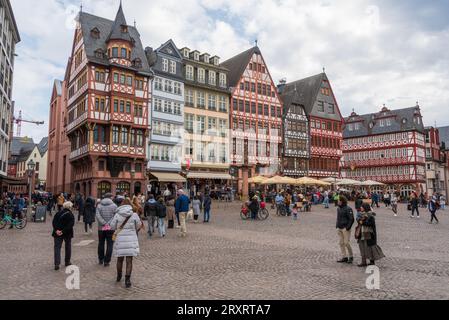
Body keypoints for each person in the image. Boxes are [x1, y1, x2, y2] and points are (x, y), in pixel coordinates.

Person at [110, 199, 142, 288]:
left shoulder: (117, 214)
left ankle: (119, 276)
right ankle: (127, 279)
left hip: (120, 239)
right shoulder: (134, 214)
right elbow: (139, 225)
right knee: (129, 260)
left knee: (119, 259)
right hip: (131, 239)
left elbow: (112, 226)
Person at [52, 201, 75, 271]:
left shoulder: (58, 213)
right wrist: (63, 231)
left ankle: (57, 263)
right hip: (67, 233)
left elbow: (54, 222)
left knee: (57, 248)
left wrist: (56, 230)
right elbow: (70, 225)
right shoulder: (70, 214)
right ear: (70, 207)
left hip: (57, 232)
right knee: (68, 247)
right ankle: (67, 261)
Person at [96, 193, 117, 267]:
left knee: (101, 243)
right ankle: (107, 261)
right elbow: (115, 216)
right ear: (110, 197)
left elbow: (98, 216)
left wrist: (104, 223)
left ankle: (101, 259)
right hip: (111, 228)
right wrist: (108, 224)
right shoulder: (114, 206)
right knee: (110, 244)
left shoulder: (99, 205)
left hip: (101, 228)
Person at [336, 196, 355, 264]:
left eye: (339, 200)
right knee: (341, 243)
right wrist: (337, 225)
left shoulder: (348, 209)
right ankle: (344, 257)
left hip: (345, 228)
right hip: (339, 228)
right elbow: (338, 218)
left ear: (342, 201)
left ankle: (351, 256)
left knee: (346, 243)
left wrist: (348, 227)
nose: (338, 201)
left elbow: (351, 219)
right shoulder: (338, 208)